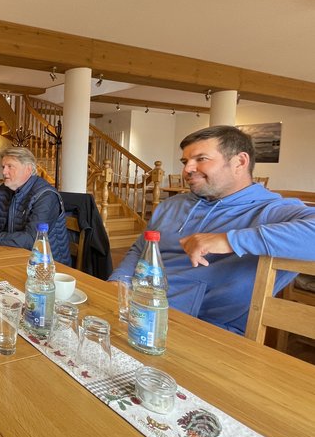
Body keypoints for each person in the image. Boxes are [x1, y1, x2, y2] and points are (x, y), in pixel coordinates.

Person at [110, 125, 315, 335]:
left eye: (201, 159)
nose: (187, 169)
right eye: (185, 161)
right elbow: (140, 250)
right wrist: (118, 284)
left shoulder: (270, 211)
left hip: (204, 330)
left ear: (240, 162)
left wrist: (229, 240)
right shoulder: (171, 205)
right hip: (137, 311)